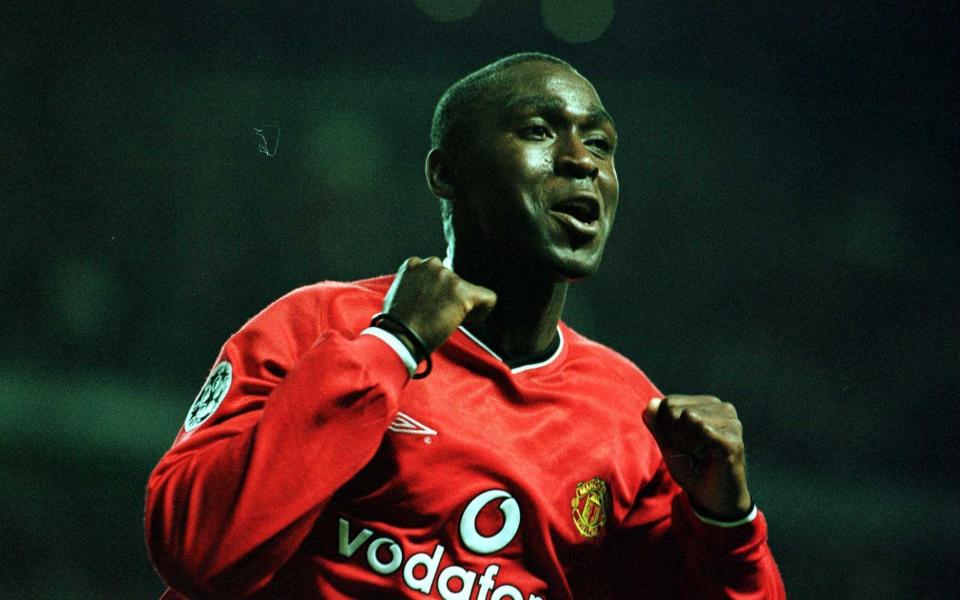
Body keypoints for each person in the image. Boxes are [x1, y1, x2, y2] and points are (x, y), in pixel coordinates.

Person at [145, 52, 785, 599]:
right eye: (540, 130)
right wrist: (390, 345)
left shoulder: (628, 415)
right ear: (445, 172)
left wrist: (727, 523)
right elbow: (196, 551)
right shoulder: (318, 323)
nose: (581, 160)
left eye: (600, 143)